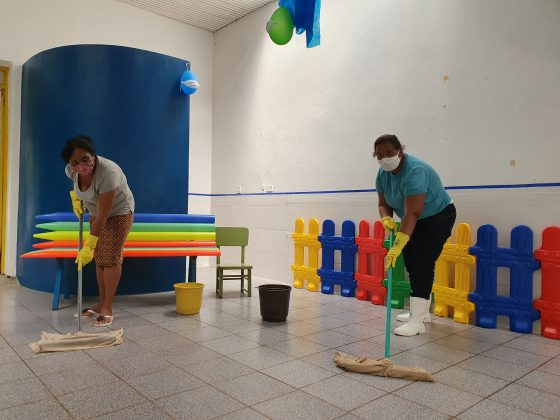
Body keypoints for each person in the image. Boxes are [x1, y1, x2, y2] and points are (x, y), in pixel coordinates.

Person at [374, 134, 456, 336]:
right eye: (379, 155)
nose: (385, 158)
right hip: (413, 219)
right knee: (411, 262)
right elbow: (383, 203)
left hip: (437, 216)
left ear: (400, 150)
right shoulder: (383, 174)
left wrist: (398, 244)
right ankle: (421, 313)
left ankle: (417, 322)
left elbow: (413, 212)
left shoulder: (415, 171)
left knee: (422, 263)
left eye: (389, 152)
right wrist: (386, 218)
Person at [61, 135, 135, 327]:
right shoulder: (71, 170)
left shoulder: (108, 172)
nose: (81, 165)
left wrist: (88, 246)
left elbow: (104, 214)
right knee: (100, 258)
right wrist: (75, 198)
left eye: (85, 159)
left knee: (110, 257)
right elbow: (76, 185)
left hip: (119, 212)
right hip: (96, 212)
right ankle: (101, 303)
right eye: (75, 162)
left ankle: (107, 308)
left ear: (93, 154)